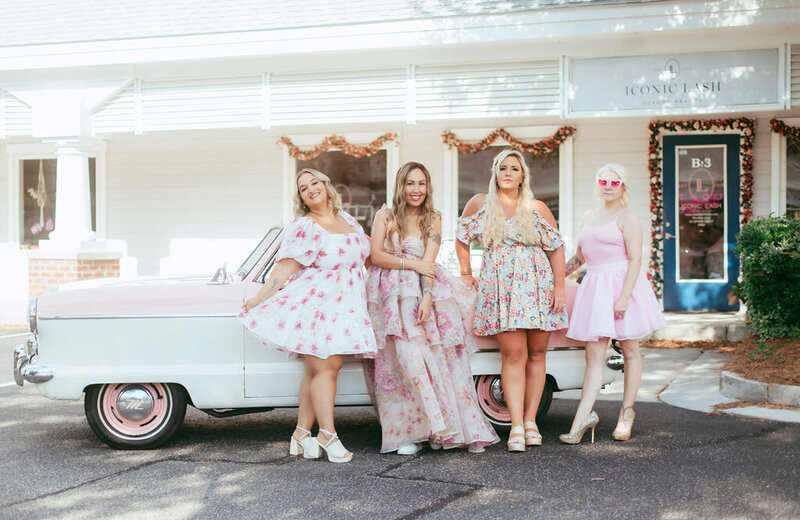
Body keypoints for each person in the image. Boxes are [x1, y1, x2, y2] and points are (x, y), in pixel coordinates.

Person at [239, 168, 377, 463]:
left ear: (326, 186)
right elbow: (283, 271)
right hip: (317, 306)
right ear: (301, 198)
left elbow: (367, 257)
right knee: (328, 368)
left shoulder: (348, 220)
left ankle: (301, 434)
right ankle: (327, 434)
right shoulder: (305, 226)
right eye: (303, 188)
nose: (311, 189)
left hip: (345, 306)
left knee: (316, 372)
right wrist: (258, 299)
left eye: (315, 183)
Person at [365, 162, 499, 455]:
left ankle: (439, 428)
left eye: (422, 184)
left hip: (422, 295)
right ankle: (406, 434)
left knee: (430, 359)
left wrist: (426, 297)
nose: (416, 190)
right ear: (401, 185)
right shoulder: (385, 215)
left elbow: (430, 261)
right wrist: (411, 263)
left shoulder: (433, 218)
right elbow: (376, 255)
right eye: (411, 183)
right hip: (388, 295)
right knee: (396, 363)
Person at [456, 149, 568, 452]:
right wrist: (466, 273)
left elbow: (556, 249)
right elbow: (461, 237)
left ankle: (531, 422)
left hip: (537, 286)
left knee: (537, 355)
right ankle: (516, 424)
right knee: (514, 355)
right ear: (495, 172)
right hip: (501, 289)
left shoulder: (537, 207)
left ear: (522, 176)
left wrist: (559, 288)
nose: (508, 173)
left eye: (514, 169)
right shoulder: (481, 203)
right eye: (503, 168)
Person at [559, 164, 665, 445]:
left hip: (621, 284)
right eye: (603, 180)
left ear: (623, 186)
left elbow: (635, 260)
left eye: (614, 182)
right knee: (593, 355)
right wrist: (556, 278)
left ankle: (626, 414)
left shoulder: (627, 217)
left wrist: (624, 296)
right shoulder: (588, 216)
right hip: (594, 287)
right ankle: (581, 418)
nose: (607, 186)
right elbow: (580, 257)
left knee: (629, 349)